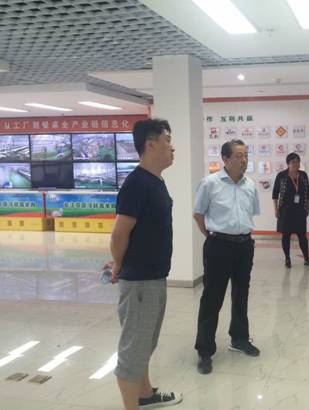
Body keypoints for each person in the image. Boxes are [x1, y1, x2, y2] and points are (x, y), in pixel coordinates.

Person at [109, 118, 182, 409]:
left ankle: (145, 394)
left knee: (145, 344)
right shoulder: (137, 184)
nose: (172, 147)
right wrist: (118, 264)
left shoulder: (154, 181)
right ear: (150, 145)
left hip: (153, 277)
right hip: (139, 281)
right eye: (167, 140)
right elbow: (119, 233)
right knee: (133, 351)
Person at [193, 139, 260, 375]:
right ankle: (205, 351)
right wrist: (212, 236)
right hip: (218, 246)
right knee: (212, 298)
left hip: (244, 246)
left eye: (246, 155)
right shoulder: (210, 183)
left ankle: (239, 339)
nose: (244, 160)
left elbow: (251, 213)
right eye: (239, 156)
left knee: (241, 295)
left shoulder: (250, 185)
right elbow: (198, 214)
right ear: (225, 158)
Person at [272, 153, 309, 268]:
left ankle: (306, 259)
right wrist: (276, 209)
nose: (296, 164)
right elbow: (275, 194)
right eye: (293, 162)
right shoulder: (281, 176)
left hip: (300, 210)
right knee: (286, 236)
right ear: (288, 163)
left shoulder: (303, 175)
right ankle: (287, 258)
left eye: (298, 162)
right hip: (285, 211)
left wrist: (308, 207)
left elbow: (308, 193)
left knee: (302, 235)